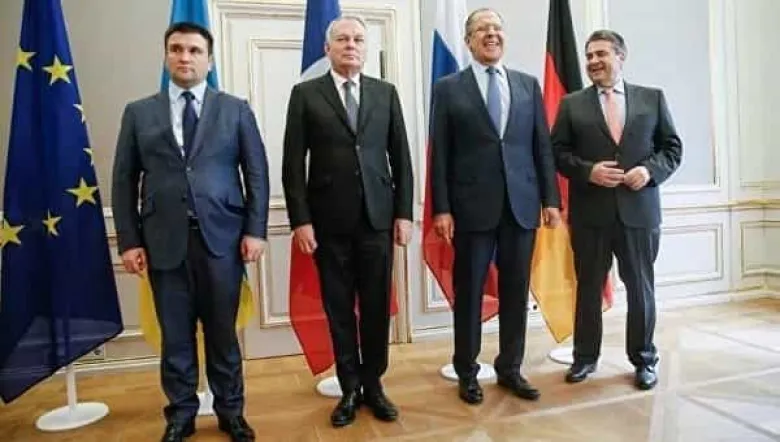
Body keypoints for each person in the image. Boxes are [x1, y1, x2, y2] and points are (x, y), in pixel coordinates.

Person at [112, 21, 268, 442]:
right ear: (166, 56)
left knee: (223, 335)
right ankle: (180, 415)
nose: (185, 57)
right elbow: (124, 180)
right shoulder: (138, 112)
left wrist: (256, 231)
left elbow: (256, 172)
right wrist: (129, 241)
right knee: (176, 336)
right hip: (163, 243)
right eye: (177, 49)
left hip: (223, 242)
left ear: (209, 60)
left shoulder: (235, 109)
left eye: (195, 51)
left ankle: (231, 412)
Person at [281, 16, 413, 427]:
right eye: (342, 39)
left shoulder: (385, 93)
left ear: (366, 47)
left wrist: (404, 213)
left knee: (375, 306)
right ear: (328, 49)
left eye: (357, 39)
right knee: (338, 309)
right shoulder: (305, 95)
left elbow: (401, 158)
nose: (350, 45)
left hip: (377, 220)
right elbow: (292, 164)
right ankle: (349, 388)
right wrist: (301, 220)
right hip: (328, 223)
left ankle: (374, 384)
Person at [430, 8, 561, 405]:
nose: (492, 34)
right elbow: (441, 153)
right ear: (469, 40)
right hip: (471, 208)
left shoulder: (526, 85)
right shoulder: (449, 88)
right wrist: (442, 208)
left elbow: (541, 147)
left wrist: (551, 200)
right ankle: (467, 371)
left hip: (521, 206)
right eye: (482, 29)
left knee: (516, 291)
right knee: (469, 291)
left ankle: (510, 368)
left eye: (497, 28)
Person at [551, 29, 682, 390]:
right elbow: (557, 153)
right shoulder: (572, 104)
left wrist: (649, 171)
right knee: (588, 289)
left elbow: (672, 148)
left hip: (639, 213)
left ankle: (644, 359)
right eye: (589, 55)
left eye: (601, 54)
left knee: (641, 289)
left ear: (620, 57)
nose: (593, 61)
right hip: (591, 216)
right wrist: (588, 171)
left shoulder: (652, 99)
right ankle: (584, 357)